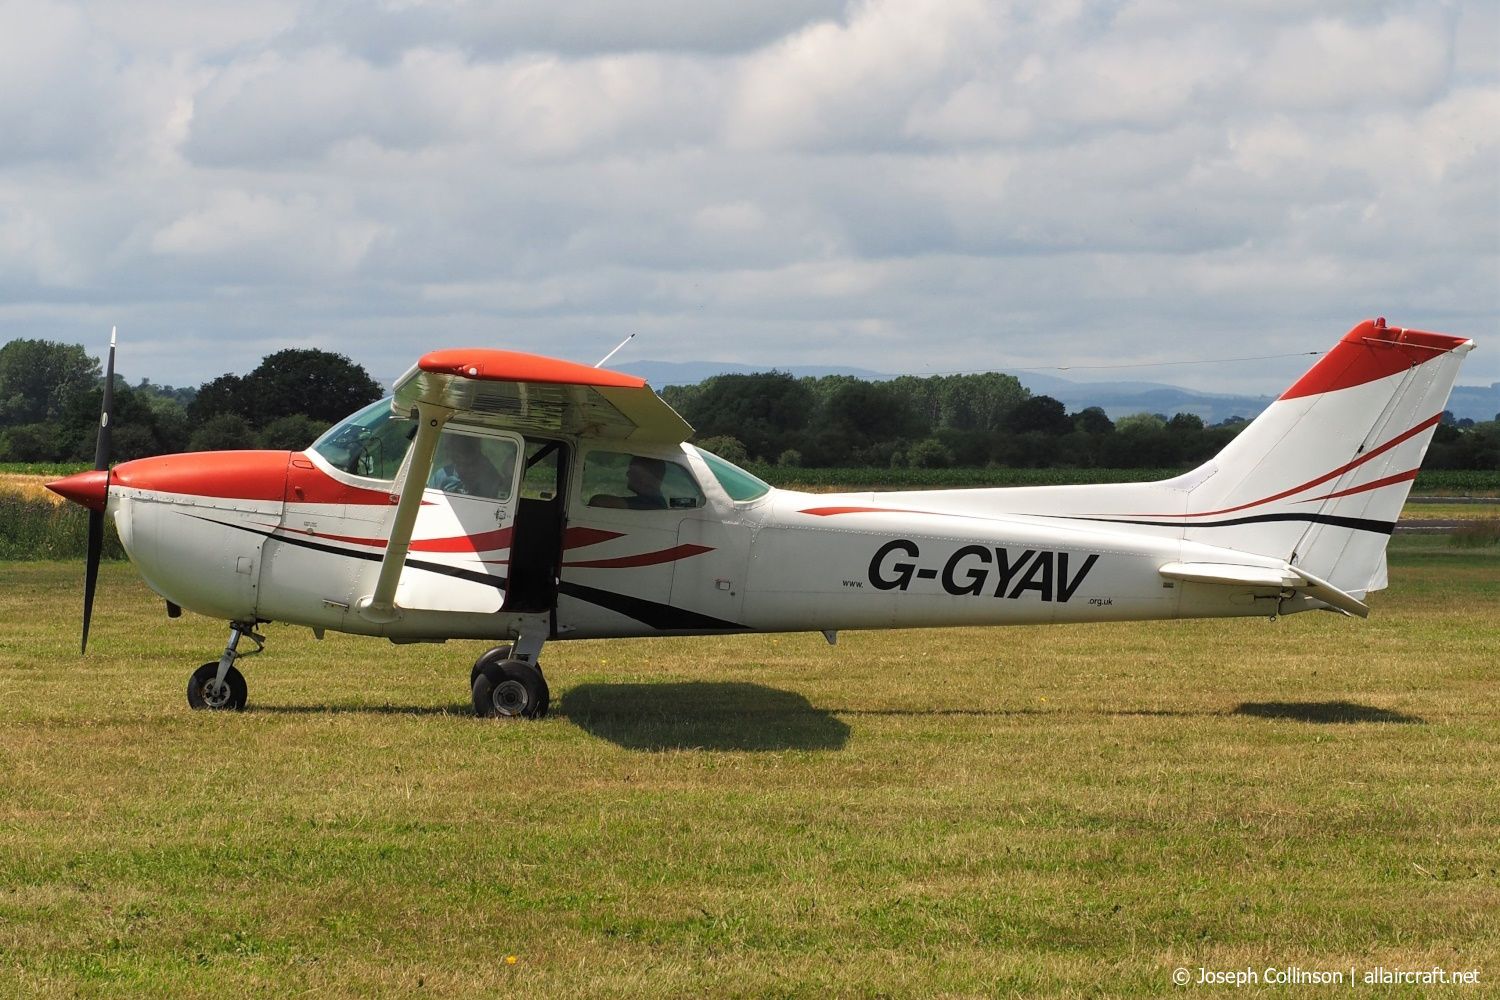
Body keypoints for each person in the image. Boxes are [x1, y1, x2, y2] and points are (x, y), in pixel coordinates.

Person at [431, 434, 508, 498]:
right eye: (459, 462)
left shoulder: (491, 478)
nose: (466, 469)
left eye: (471, 464)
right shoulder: (441, 476)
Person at [590, 456, 668, 509]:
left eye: (633, 471)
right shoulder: (652, 501)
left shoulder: (654, 504)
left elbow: (598, 501)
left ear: (647, 477)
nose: (627, 474)